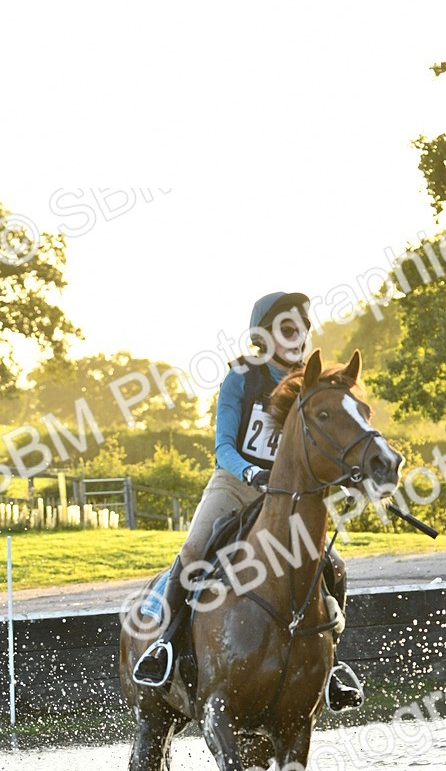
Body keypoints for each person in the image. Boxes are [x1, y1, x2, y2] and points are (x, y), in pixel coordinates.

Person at [133, 291, 364, 711]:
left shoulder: (311, 384)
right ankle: (163, 648)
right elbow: (223, 447)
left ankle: (330, 666)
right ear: (264, 335)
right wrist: (250, 473)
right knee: (194, 550)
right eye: (288, 329)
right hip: (236, 484)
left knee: (332, 566)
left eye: (303, 329)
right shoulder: (241, 378)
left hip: (287, 496)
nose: (299, 337)